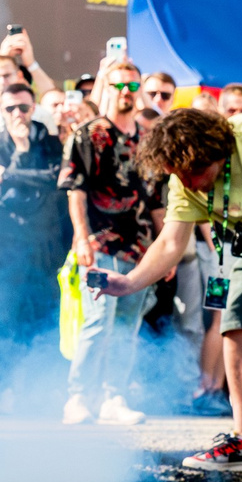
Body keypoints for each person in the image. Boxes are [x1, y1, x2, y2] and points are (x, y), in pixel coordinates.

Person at [100, 104, 242, 475]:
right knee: (235, 321)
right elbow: (171, 243)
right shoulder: (183, 176)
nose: (188, 184)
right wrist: (128, 282)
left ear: (217, 152)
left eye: (195, 173)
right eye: (179, 176)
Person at [60, 58, 165, 425]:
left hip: (140, 247)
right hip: (101, 243)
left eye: (133, 85)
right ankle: (78, 398)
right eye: (119, 85)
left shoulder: (149, 137)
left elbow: (157, 199)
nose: (126, 92)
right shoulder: (88, 134)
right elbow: (76, 189)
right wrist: (81, 237)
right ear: (107, 87)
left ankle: (113, 397)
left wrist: (162, 252)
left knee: (127, 326)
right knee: (97, 321)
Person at [0, 79, 68, 346]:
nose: (17, 114)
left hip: (46, 242)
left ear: (33, 107)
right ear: (1, 110)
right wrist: (21, 153)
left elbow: (54, 179)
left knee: (48, 312)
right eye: (10, 108)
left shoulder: (49, 141)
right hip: (10, 242)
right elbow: (3, 193)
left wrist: (11, 173)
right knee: (9, 313)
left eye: (23, 107)